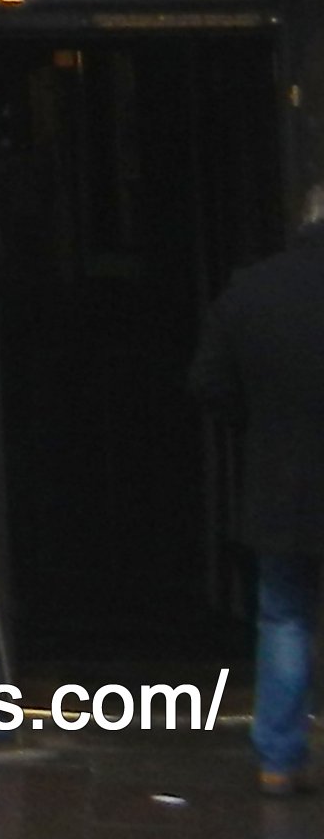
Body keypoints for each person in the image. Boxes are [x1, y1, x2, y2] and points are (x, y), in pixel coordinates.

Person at [192, 212, 324, 796]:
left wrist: (260, 425)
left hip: (282, 479)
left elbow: (208, 381)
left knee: (285, 616)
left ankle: (279, 758)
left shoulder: (253, 288)